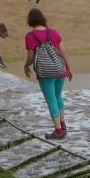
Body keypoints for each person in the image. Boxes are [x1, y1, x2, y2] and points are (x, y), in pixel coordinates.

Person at [22, 8, 73, 139]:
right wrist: (68, 68)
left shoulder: (30, 36)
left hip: (45, 72)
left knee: (51, 100)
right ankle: (63, 124)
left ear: (30, 21)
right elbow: (63, 52)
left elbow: (31, 56)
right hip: (60, 69)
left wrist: (26, 66)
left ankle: (58, 131)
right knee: (58, 96)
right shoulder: (53, 33)